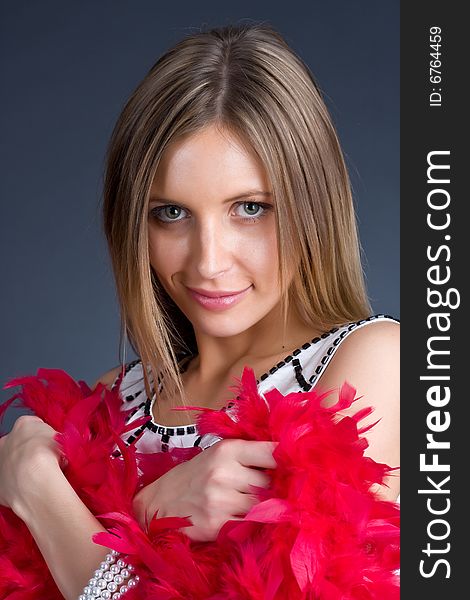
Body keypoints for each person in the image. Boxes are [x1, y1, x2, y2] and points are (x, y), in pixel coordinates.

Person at [0, 22, 399, 599]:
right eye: (171, 214)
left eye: (250, 208)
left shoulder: (370, 364)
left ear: (313, 205)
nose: (209, 262)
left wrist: (39, 489)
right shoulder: (111, 404)